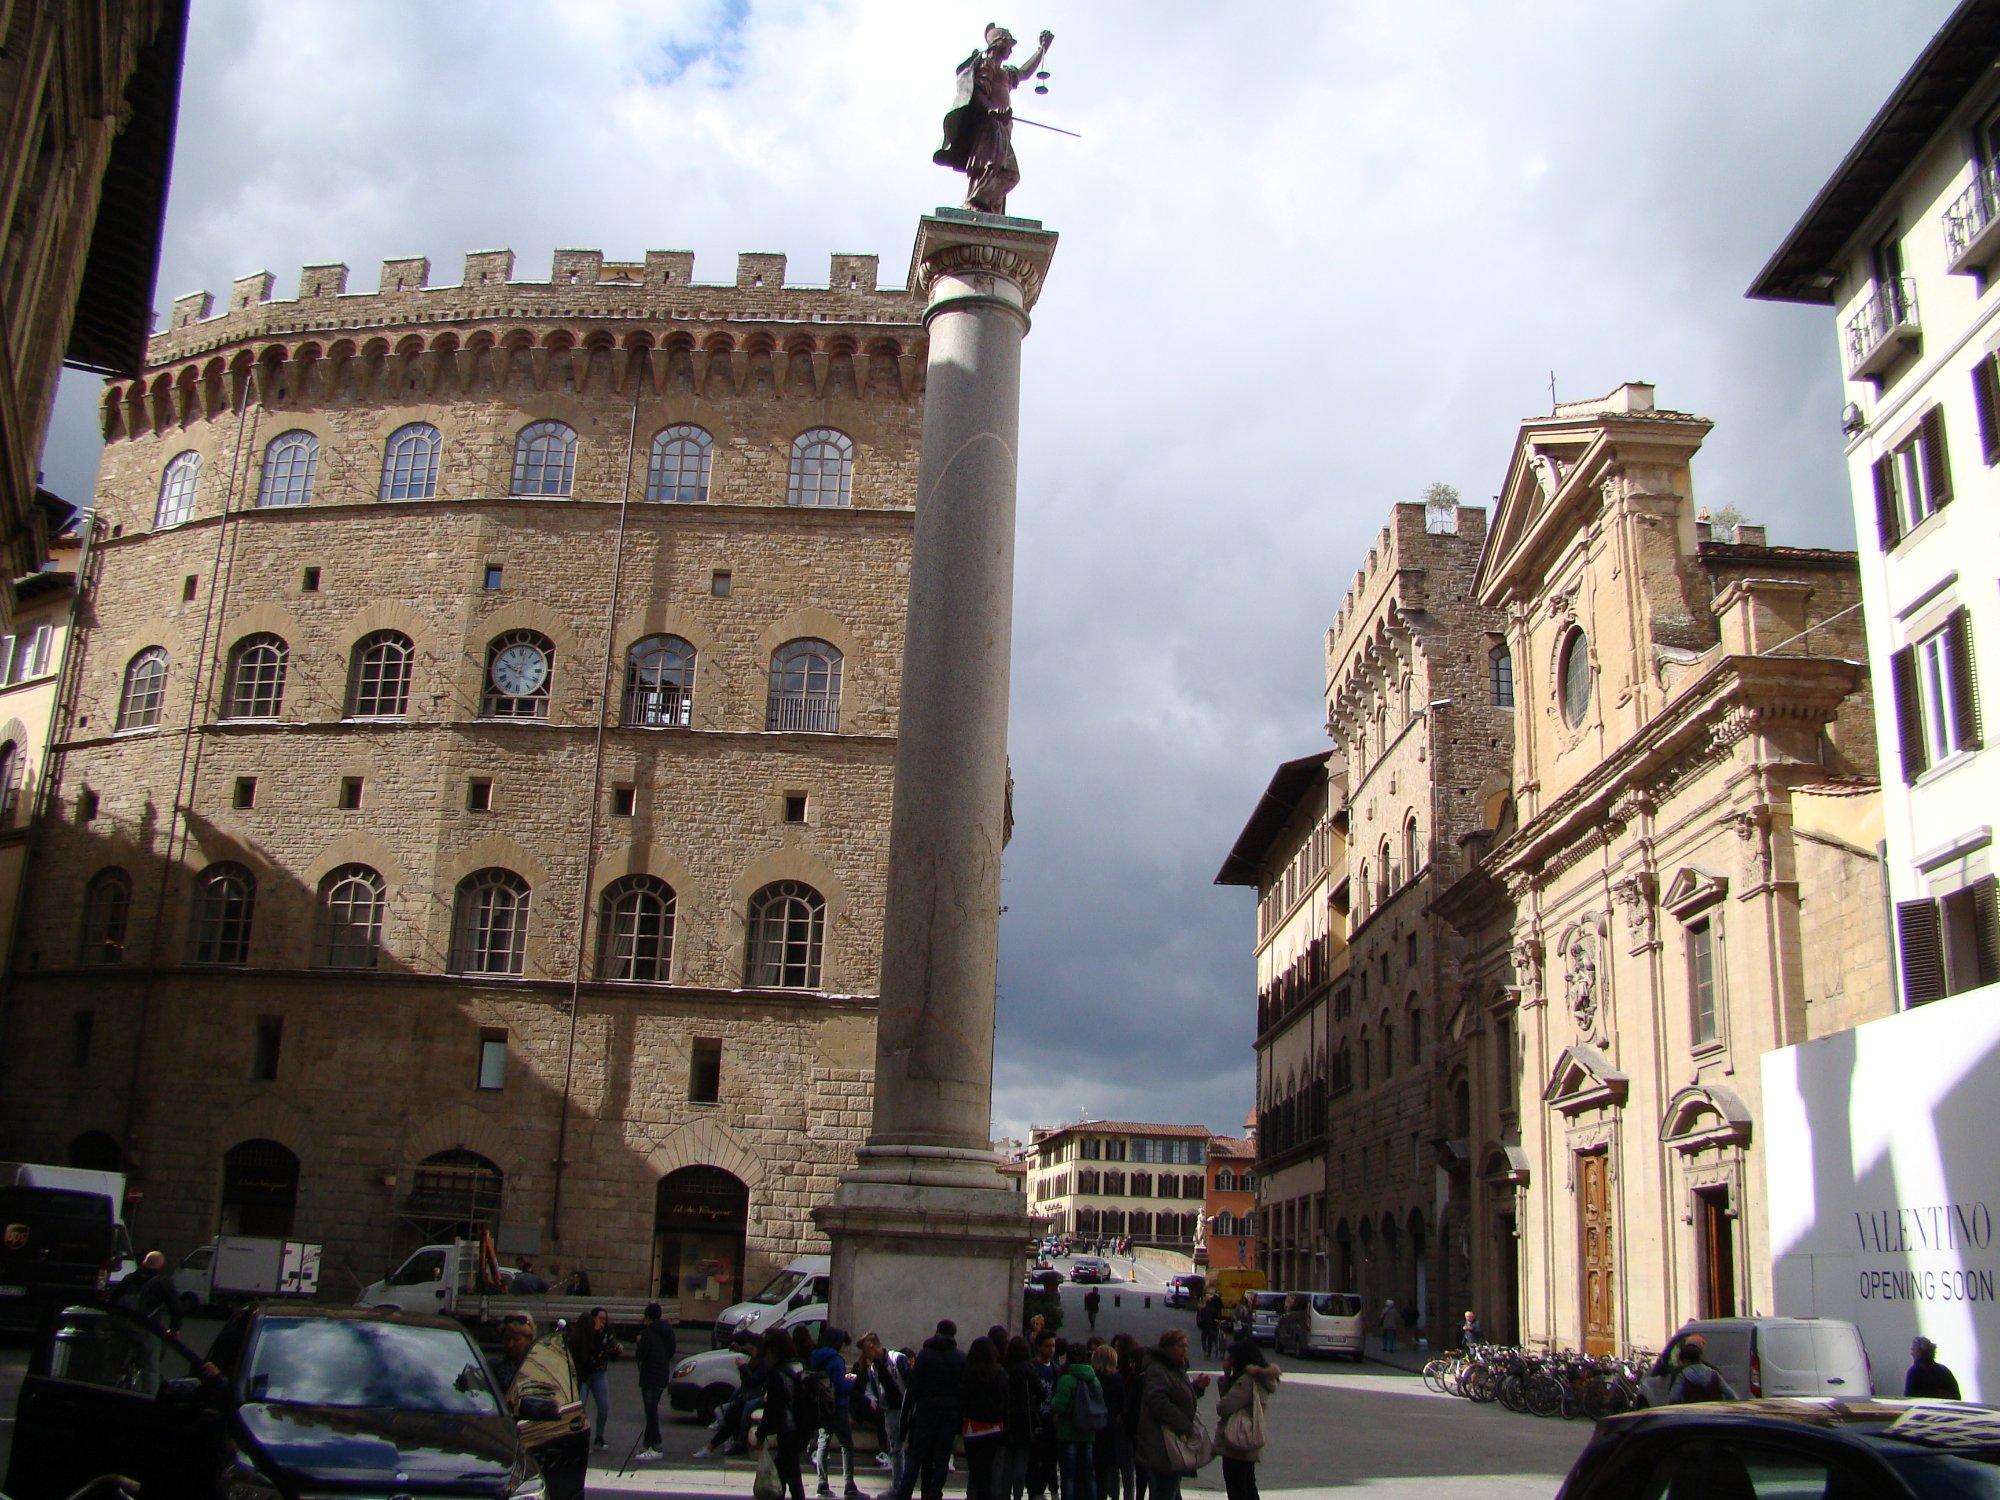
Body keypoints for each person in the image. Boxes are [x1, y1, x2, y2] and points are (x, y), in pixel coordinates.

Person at [933, 24, 1055, 215]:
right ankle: (976, 201)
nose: (1012, 50)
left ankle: (987, 206)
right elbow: (978, 93)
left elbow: (1023, 73)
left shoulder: (1005, 72)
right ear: (999, 44)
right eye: (1009, 45)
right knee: (996, 168)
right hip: (990, 126)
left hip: (1002, 126)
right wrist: (992, 111)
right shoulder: (986, 65)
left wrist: (1042, 50)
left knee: (1000, 171)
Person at [1134, 1330, 1208, 1500]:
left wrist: (1196, 1388)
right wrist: (1184, 1424)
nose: (1184, 1350)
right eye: (1180, 1345)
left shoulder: (1176, 1368)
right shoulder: (1158, 1369)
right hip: (1162, 1446)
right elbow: (1158, 1401)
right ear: (1167, 1347)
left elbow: (1178, 1395)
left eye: (1186, 1346)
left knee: (1172, 1490)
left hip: (1173, 1445)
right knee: (1163, 1490)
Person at [898, 1319, 967, 1500]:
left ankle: (904, 1493)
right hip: (949, 1417)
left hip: (926, 1414)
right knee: (942, 1458)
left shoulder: (925, 1355)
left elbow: (913, 1388)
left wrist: (906, 1418)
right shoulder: (960, 1358)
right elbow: (963, 1391)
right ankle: (934, 1494)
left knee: (916, 1457)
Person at [1214, 1339, 1278, 1500]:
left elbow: (1224, 1407)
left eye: (1231, 1357)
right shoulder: (1260, 1379)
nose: (1228, 1360)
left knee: (1237, 1487)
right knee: (1248, 1483)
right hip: (1248, 1437)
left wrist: (1226, 1378)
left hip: (1237, 1440)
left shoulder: (1246, 1381)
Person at [757, 1325, 810, 1500]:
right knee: (786, 1472)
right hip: (800, 1428)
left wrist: (761, 1432)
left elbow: (773, 1407)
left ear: (773, 1351)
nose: (765, 1358)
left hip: (787, 1430)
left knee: (789, 1475)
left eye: (766, 1353)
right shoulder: (797, 1366)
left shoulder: (777, 1374)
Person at [810, 1326, 864, 1499]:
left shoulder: (815, 1358)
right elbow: (841, 1387)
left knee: (823, 1442)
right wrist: (852, 1381)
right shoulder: (836, 1360)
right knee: (847, 1445)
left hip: (821, 1407)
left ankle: (822, 1483)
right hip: (837, 1407)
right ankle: (849, 1484)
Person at [1052, 1339, 1104, 1500]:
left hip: (1068, 1431)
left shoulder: (1067, 1379)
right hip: (1088, 1431)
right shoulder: (1094, 1379)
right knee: (1089, 1474)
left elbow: (1058, 1405)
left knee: (1068, 1475)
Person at [857, 1331, 911, 1484]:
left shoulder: (897, 1359)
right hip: (890, 1410)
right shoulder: (874, 1367)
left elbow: (910, 1383)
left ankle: (899, 1485)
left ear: (871, 1347)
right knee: (895, 1448)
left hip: (903, 1407)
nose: (865, 1355)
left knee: (899, 1449)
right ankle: (898, 1484)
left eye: (865, 1351)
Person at [962, 1335, 1011, 1500]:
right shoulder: (1000, 1373)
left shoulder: (968, 1372)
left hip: (972, 1427)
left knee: (976, 1471)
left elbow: (963, 1399)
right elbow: (1005, 1401)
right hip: (993, 1428)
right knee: (989, 1470)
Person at [566, 1306, 622, 1449]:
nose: (602, 1322)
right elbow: (584, 1353)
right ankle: (579, 1437)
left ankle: (599, 1436)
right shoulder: (586, 1332)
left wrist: (616, 1350)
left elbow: (610, 1350)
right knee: (581, 1406)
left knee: (604, 1406)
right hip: (584, 1375)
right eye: (600, 1319)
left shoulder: (607, 1332)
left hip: (598, 1373)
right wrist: (595, 1334)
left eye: (605, 1319)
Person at [633, 1301, 676, 1461]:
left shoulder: (648, 1333)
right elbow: (672, 1350)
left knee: (650, 1412)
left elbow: (641, 1354)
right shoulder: (667, 1331)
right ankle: (647, 1443)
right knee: (652, 1409)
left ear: (648, 1317)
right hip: (662, 1374)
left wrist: (639, 1344)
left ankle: (656, 1445)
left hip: (649, 1375)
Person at [1003, 1335, 1041, 1500]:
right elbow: (1040, 1392)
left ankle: (1004, 1493)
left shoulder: (1005, 1368)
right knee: (1021, 1460)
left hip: (1008, 1417)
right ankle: (1018, 1494)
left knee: (1008, 1460)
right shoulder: (1029, 1368)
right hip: (1026, 1417)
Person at [1090, 1343, 1127, 1500]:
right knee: (1105, 1472)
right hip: (1109, 1429)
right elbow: (1122, 1406)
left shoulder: (1091, 1379)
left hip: (1091, 1427)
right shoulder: (1117, 1380)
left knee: (1089, 1469)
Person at [113, 1250, 183, 1333]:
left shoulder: (128, 1278)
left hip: (124, 1325)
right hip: (148, 1327)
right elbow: (176, 1308)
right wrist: (174, 1329)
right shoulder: (162, 1283)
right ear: (161, 1266)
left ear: (144, 1262)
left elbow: (114, 1299)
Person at [1666, 1334, 1738, 1403]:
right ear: (1699, 1357)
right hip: (1714, 1413)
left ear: (1685, 1360)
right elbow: (1731, 1396)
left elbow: (1673, 1399)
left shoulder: (1682, 1376)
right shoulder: (1714, 1373)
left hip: (1691, 1414)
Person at [1195, 1295, 1221, 1360]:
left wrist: (1201, 1324)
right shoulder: (1214, 1310)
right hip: (1212, 1326)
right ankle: (1209, 1353)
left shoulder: (1203, 1309)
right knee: (1210, 1340)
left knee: (1203, 1338)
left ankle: (1205, 1349)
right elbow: (1217, 1318)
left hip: (1205, 1326)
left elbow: (1200, 1317)